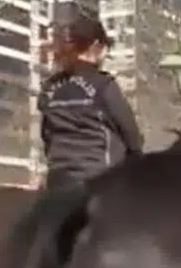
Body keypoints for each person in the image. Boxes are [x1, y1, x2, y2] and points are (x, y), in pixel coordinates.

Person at [37, 11, 144, 187]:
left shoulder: (49, 88)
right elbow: (131, 135)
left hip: (58, 183)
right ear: (96, 46)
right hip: (102, 184)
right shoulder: (104, 85)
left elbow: (47, 137)